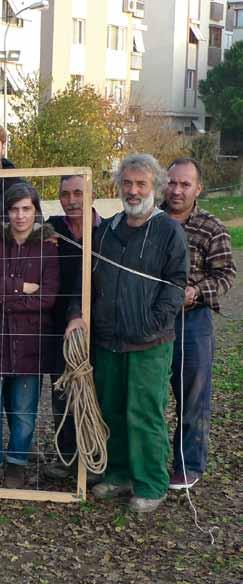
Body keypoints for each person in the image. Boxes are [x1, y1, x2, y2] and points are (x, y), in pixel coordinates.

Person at [67, 153, 188, 513]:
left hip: (149, 342)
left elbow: (177, 283)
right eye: (128, 184)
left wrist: (153, 322)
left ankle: (151, 483)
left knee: (145, 413)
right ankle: (119, 474)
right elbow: (85, 279)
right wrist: (77, 314)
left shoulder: (168, 230)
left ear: (156, 188)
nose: (133, 191)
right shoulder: (108, 229)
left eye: (141, 184)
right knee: (111, 410)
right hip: (107, 339)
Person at [0, 182, 60, 489]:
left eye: (27, 209)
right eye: (14, 209)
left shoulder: (48, 246)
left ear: (36, 212)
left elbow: (48, 297)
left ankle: (17, 463)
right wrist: (22, 288)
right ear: (5, 212)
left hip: (30, 341)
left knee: (23, 411)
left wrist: (2, 287)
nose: (20, 216)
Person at [161, 158, 236, 490]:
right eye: (172, 182)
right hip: (152, 320)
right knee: (147, 395)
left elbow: (226, 274)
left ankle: (188, 464)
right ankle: (145, 463)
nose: (177, 190)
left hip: (192, 321)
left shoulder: (211, 226)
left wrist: (196, 291)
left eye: (185, 184)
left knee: (193, 396)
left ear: (198, 189)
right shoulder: (150, 220)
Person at [44, 175, 101, 480]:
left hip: (97, 324)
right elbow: (16, 226)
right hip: (56, 325)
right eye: (66, 194)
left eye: (79, 192)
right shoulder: (52, 228)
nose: (72, 199)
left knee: (93, 389)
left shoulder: (106, 231)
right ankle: (66, 457)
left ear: (91, 194)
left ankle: (93, 456)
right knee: (62, 388)